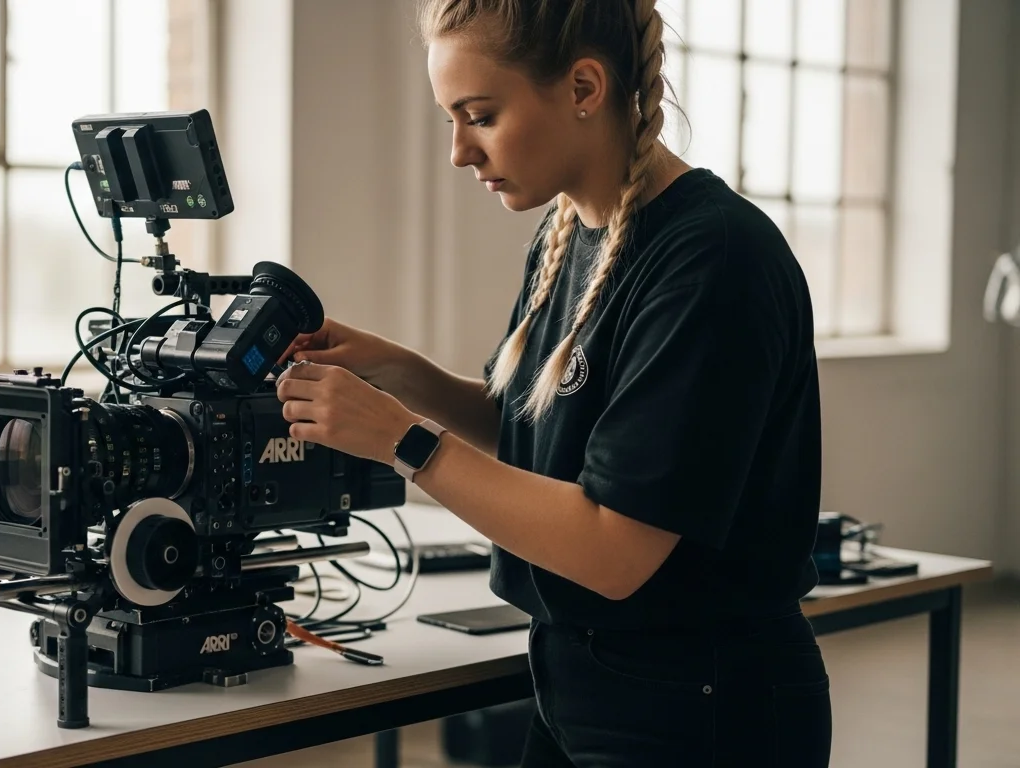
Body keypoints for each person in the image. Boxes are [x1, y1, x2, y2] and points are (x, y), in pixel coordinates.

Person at [273, 0, 831, 765]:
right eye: (451, 120)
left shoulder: (714, 260)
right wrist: (394, 372)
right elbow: (537, 428)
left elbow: (615, 549)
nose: (460, 152)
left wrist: (399, 439)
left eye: (481, 115)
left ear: (583, 88)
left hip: (703, 704)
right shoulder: (570, 232)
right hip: (579, 683)